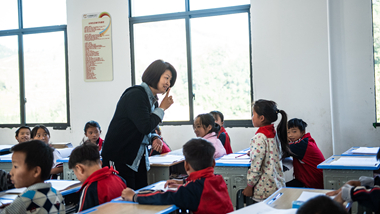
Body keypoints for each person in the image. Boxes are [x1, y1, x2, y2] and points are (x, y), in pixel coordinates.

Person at [101, 59, 177, 190]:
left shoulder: (152, 101)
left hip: (137, 157)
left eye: (170, 80)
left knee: (140, 196)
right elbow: (145, 126)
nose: (168, 83)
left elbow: (147, 128)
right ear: (155, 75)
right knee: (124, 200)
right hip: (120, 156)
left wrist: (154, 137)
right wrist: (162, 109)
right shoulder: (136, 94)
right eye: (166, 78)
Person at [121, 138, 234, 214]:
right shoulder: (218, 179)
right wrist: (184, 182)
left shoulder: (193, 190)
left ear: (186, 165)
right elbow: (202, 183)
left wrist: (134, 196)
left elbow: (164, 197)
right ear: (213, 163)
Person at [242, 99, 291, 201]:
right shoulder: (274, 133)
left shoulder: (259, 137)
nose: (252, 117)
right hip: (277, 185)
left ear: (262, 118)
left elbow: (256, 165)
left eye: (253, 114)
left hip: (264, 189)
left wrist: (249, 186)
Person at [1, 140, 65, 213]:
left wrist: (16, 206)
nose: (11, 172)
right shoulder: (57, 194)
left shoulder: (24, 200)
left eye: (15, 167)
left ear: (36, 171)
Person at [68, 143, 126, 212]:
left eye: (74, 172)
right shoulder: (119, 179)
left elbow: (82, 212)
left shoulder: (89, 189)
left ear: (79, 168)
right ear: (100, 163)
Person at [286, 118, 325, 189]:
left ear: (303, 132)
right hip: (306, 180)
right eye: (288, 132)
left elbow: (282, 149)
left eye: (294, 131)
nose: (290, 135)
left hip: (313, 184)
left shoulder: (302, 145)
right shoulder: (305, 141)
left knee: (281, 190)